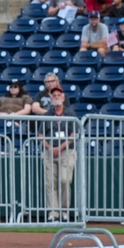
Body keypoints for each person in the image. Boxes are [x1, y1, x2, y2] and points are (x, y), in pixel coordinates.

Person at [39, 87, 77, 222]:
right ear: (51, 98)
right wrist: (50, 148)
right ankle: (53, 212)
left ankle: (64, 210)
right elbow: (40, 135)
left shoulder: (70, 113)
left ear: (63, 97)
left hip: (66, 151)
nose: (56, 97)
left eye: (58, 95)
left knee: (65, 180)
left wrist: (60, 147)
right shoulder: (47, 115)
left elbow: (73, 135)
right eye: (53, 95)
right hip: (49, 152)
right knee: (50, 183)